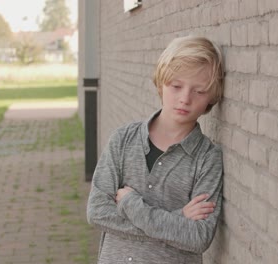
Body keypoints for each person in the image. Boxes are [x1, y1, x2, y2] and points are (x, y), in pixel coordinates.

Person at [86, 35, 225, 264]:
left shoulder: (207, 158)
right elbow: (98, 212)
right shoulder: (123, 140)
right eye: (176, 86)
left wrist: (131, 206)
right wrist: (177, 219)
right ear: (161, 83)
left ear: (212, 97)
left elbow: (199, 237)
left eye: (199, 91)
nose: (185, 99)